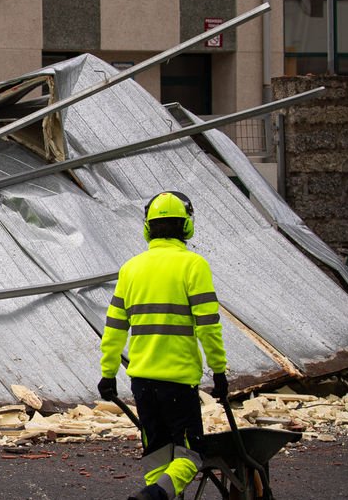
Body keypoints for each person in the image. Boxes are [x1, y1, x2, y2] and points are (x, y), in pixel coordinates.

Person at [98, 191, 227, 500]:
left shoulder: (131, 269)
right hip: (178, 381)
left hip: (142, 381)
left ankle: (155, 494)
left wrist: (108, 373)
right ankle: (152, 497)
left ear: (147, 228)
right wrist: (219, 371)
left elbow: (114, 327)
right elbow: (209, 327)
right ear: (187, 227)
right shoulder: (194, 266)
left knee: (157, 456)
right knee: (191, 455)